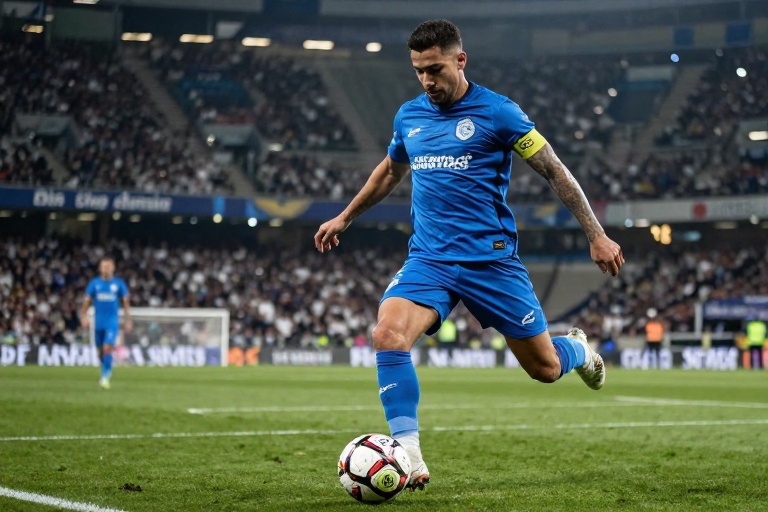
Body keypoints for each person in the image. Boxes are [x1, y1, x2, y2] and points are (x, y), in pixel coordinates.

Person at [314, 19, 624, 491]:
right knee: (387, 335)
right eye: (419, 71)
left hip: (491, 262)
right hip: (429, 260)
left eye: (435, 69)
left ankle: (578, 349)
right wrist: (345, 217)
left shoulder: (500, 113)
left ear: (460, 60)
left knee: (544, 369)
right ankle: (409, 454)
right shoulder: (409, 116)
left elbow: (554, 170)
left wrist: (596, 234)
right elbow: (390, 171)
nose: (426, 80)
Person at [80, 257, 132, 389]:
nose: (106, 269)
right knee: (100, 351)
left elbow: (125, 302)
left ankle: (105, 376)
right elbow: (86, 301)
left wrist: (128, 319)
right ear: (100, 268)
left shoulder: (118, 284)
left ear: (113, 268)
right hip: (98, 323)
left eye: (108, 266)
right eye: (104, 266)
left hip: (112, 322)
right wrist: (83, 316)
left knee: (107, 347)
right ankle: (106, 368)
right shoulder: (94, 284)